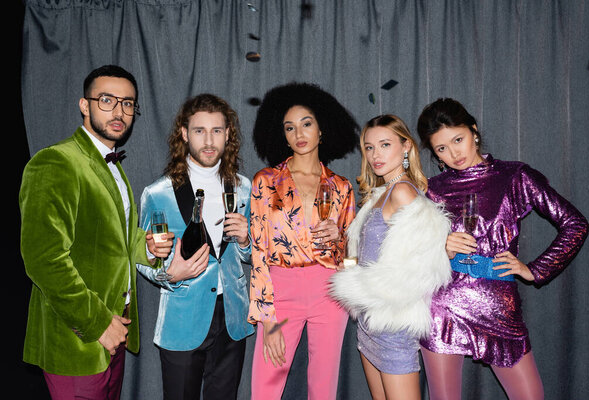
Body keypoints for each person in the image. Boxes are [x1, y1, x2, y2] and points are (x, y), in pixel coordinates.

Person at [415, 98, 589, 400]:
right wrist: (437, 246)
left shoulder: (514, 176)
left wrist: (534, 269)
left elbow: (575, 224)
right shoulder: (432, 188)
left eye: (458, 139)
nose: (454, 153)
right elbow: (406, 253)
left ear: (474, 131)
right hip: (442, 305)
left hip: (498, 304)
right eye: (442, 148)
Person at [19, 65, 169, 399]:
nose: (119, 111)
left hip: (116, 333)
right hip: (79, 338)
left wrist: (146, 247)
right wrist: (99, 323)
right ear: (84, 106)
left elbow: (119, 237)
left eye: (128, 103)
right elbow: (43, 259)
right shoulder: (56, 162)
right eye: (107, 100)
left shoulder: (112, 166)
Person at [136, 93, 255, 400]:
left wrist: (245, 240)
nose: (209, 140)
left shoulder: (243, 187)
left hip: (232, 317)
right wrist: (167, 271)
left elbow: (252, 254)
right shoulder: (158, 193)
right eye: (199, 131)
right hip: (182, 317)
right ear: (184, 134)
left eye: (216, 130)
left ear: (228, 134)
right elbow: (142, 257)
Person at [329, 114, 452, 400]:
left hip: (392, 326)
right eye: (369, 147)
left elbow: (418, 271)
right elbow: (368, 257)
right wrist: (347, 261)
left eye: (385, 144)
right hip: (370, 324)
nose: (376, 155)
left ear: (406, 146)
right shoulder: (381, 194)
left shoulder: (403, 192)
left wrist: (359, 286)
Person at [248, 82, 359, 399]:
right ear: (282, 135)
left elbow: (351, 256)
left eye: (306, 123)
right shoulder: (266, 181)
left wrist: (340, 240)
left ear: (321, 128)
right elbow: (258, 251)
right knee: (266, 386)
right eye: (290, 127)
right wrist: (266, 316)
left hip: (329, 289)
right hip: (281, 288)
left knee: (324, 387)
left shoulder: (341, 186)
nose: (299, 133)